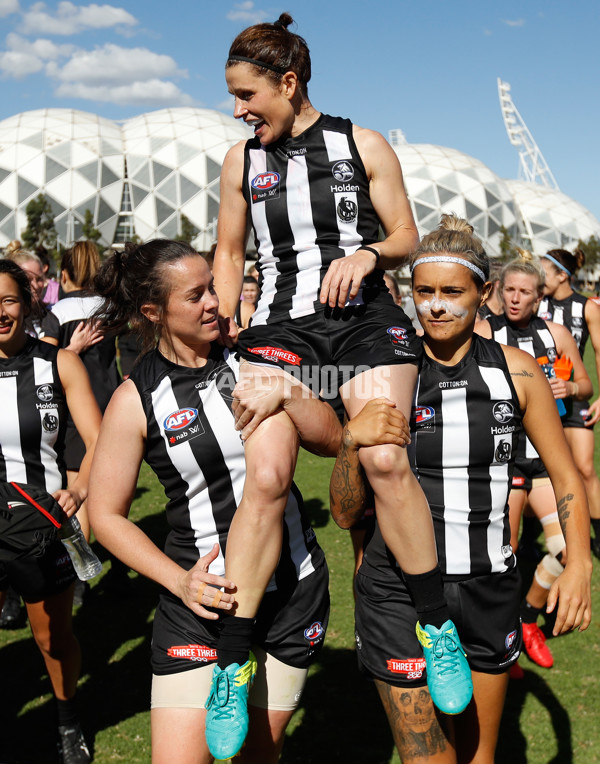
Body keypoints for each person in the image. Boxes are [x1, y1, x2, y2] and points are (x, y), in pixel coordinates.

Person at [211, 15, 471, 750]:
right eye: (232, 98)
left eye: (246, 94)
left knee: (386, 456)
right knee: (264, 476)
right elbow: (230, 249)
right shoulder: (240, 162)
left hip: (362, 323)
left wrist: (367, 256)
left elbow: (407, 233)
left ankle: (435, 624)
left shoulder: (362, 142)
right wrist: (231, 313)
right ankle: (232, 664)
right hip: (280, 330)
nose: (238, 111)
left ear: (289, 83)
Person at [330, 216, 592, 763]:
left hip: (489, 587)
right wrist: (350, 441)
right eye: (424, 292)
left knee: (479, 757)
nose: (437, 306)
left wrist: (580, 566)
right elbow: (342, 511)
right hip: (398, 592)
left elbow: (565, 474)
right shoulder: (386, 371)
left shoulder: (518, 373)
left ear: (483, 293)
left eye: (453, 292)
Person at [87, 239, 341, 763]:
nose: (214, 303)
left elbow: (334, 439)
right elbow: (106, 516)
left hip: (290, 589)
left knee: (258, 757)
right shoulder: (135, 398)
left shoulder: (255, 351)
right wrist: (179, 580)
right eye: (195, 295)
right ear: (153, 312)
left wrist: (289, 391)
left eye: (212, 288)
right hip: (198, 598)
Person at [0, 260, 101, 763]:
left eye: (8, 300)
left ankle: (68, 721)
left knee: (53, 638)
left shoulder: (59, 363)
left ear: (29, 303)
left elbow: (100, 441)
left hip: (41, 526)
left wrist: (80, 487)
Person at [475, 251, 592, 669]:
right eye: (509, 290)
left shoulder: (555, 335)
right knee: (502, 552)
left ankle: (526, 618)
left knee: (567, 549)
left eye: (524, 292)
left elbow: (584, 384)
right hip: (501, 460)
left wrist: (568, 387)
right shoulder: (485, 331)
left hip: (542, 458)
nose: (515, 298)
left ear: (540, 297)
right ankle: (498, 641)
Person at [538, 248, 600, 559]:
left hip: (576, 394)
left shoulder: (586, 306)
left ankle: (597, 538)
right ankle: (547, 533)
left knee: (586, 469)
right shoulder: (537, 303)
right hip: (542, 396)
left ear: (563, 275)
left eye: (544, 272)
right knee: (544, 469)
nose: (539, 278)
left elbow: (599, 352)